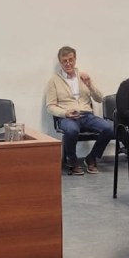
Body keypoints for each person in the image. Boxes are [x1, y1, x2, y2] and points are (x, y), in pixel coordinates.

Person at [46, 46, 114, 175]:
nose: (68, 63)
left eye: (70, 60)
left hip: (87, 115)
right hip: (67, 116)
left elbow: (100, 98)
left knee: (109, 128)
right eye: (64, 61)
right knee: (71, 130)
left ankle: (92, 157)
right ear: (60, 62)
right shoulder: (53, 81)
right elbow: (50, 106)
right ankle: (73, 160)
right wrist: (65, 113)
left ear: (75, 59)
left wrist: (89, 84)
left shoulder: (83, 77)